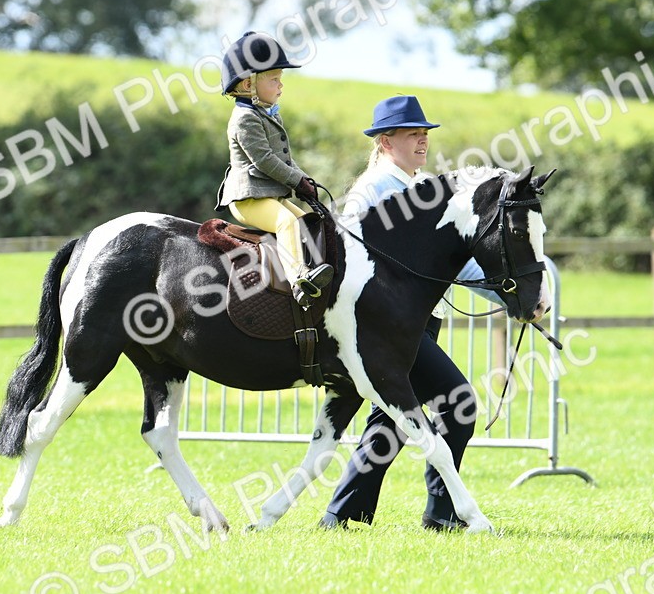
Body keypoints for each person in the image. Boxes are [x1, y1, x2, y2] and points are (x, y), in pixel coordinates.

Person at [319, 95, 506, 531]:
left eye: (424, 134)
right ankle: (442, 514)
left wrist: (509, 299)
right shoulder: (372, 189)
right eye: (412, 135)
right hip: (388, 325)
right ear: (386, 142)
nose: (422, 141)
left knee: (390, 422)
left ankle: (341, 515)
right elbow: (353, 253)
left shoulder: (425, 188)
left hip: (420, 320)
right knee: (457, 403)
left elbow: (460, 260)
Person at [215, 31, 333, 308]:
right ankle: (300, 281)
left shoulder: (268, 113)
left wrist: (305, 181)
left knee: (306, 222)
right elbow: (265, 160)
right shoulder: (244, 119)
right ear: (248, 84)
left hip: (270, 195)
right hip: (248, 198)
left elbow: (286, 159)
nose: (281, 86)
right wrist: (296, 182)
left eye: (281, 80)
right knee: (288, 223)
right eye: (275, 79)